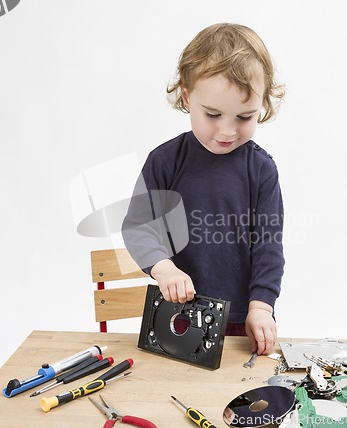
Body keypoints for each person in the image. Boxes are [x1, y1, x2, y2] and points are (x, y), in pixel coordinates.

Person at [122, 23, 285, 355]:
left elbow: (268, 246)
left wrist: (262, 306)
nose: (227, 131)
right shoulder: (165, 161)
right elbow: (138, 226)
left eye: (244, 116)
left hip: (243, 318)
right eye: (213, 114)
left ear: (262, 105)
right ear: (186, 97)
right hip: (178, 313)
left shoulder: (261, 170)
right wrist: (162, 267)